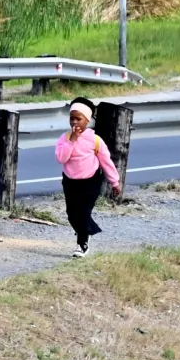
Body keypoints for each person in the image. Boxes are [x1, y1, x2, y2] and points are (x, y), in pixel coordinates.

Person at [54, 97, 119, 258]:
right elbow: (61, 158)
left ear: (87, 120)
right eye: (72, 118)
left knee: (83, 212)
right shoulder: (65, 138)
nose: (75, 122)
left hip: (90, 181)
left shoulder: (95, 140)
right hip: (70, 181)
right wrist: (72, 141)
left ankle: (82, 244)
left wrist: (114, 182)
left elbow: (106, 162)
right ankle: (87, 230)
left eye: (79, 119)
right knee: (72, 213)